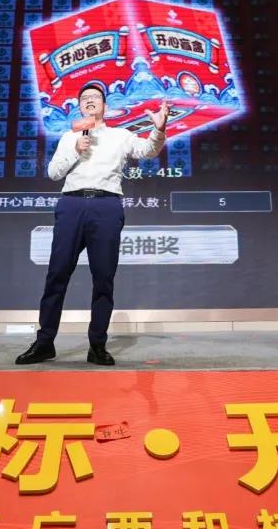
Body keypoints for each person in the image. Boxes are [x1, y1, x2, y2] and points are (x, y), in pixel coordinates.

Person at [16, 82, 169, 366]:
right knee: (57, 274)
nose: (89, 101)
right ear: (79, 106)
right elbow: (53, 172)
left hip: (106, 205)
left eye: (95, 97)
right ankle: (45, 342)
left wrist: (159, 129)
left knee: (103, 278)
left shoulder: (120, 136)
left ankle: (97, 345)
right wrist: (76, 149)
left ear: (105, 106)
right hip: (71, 205)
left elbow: (148, 150)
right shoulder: (68, 137)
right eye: (84, 98)